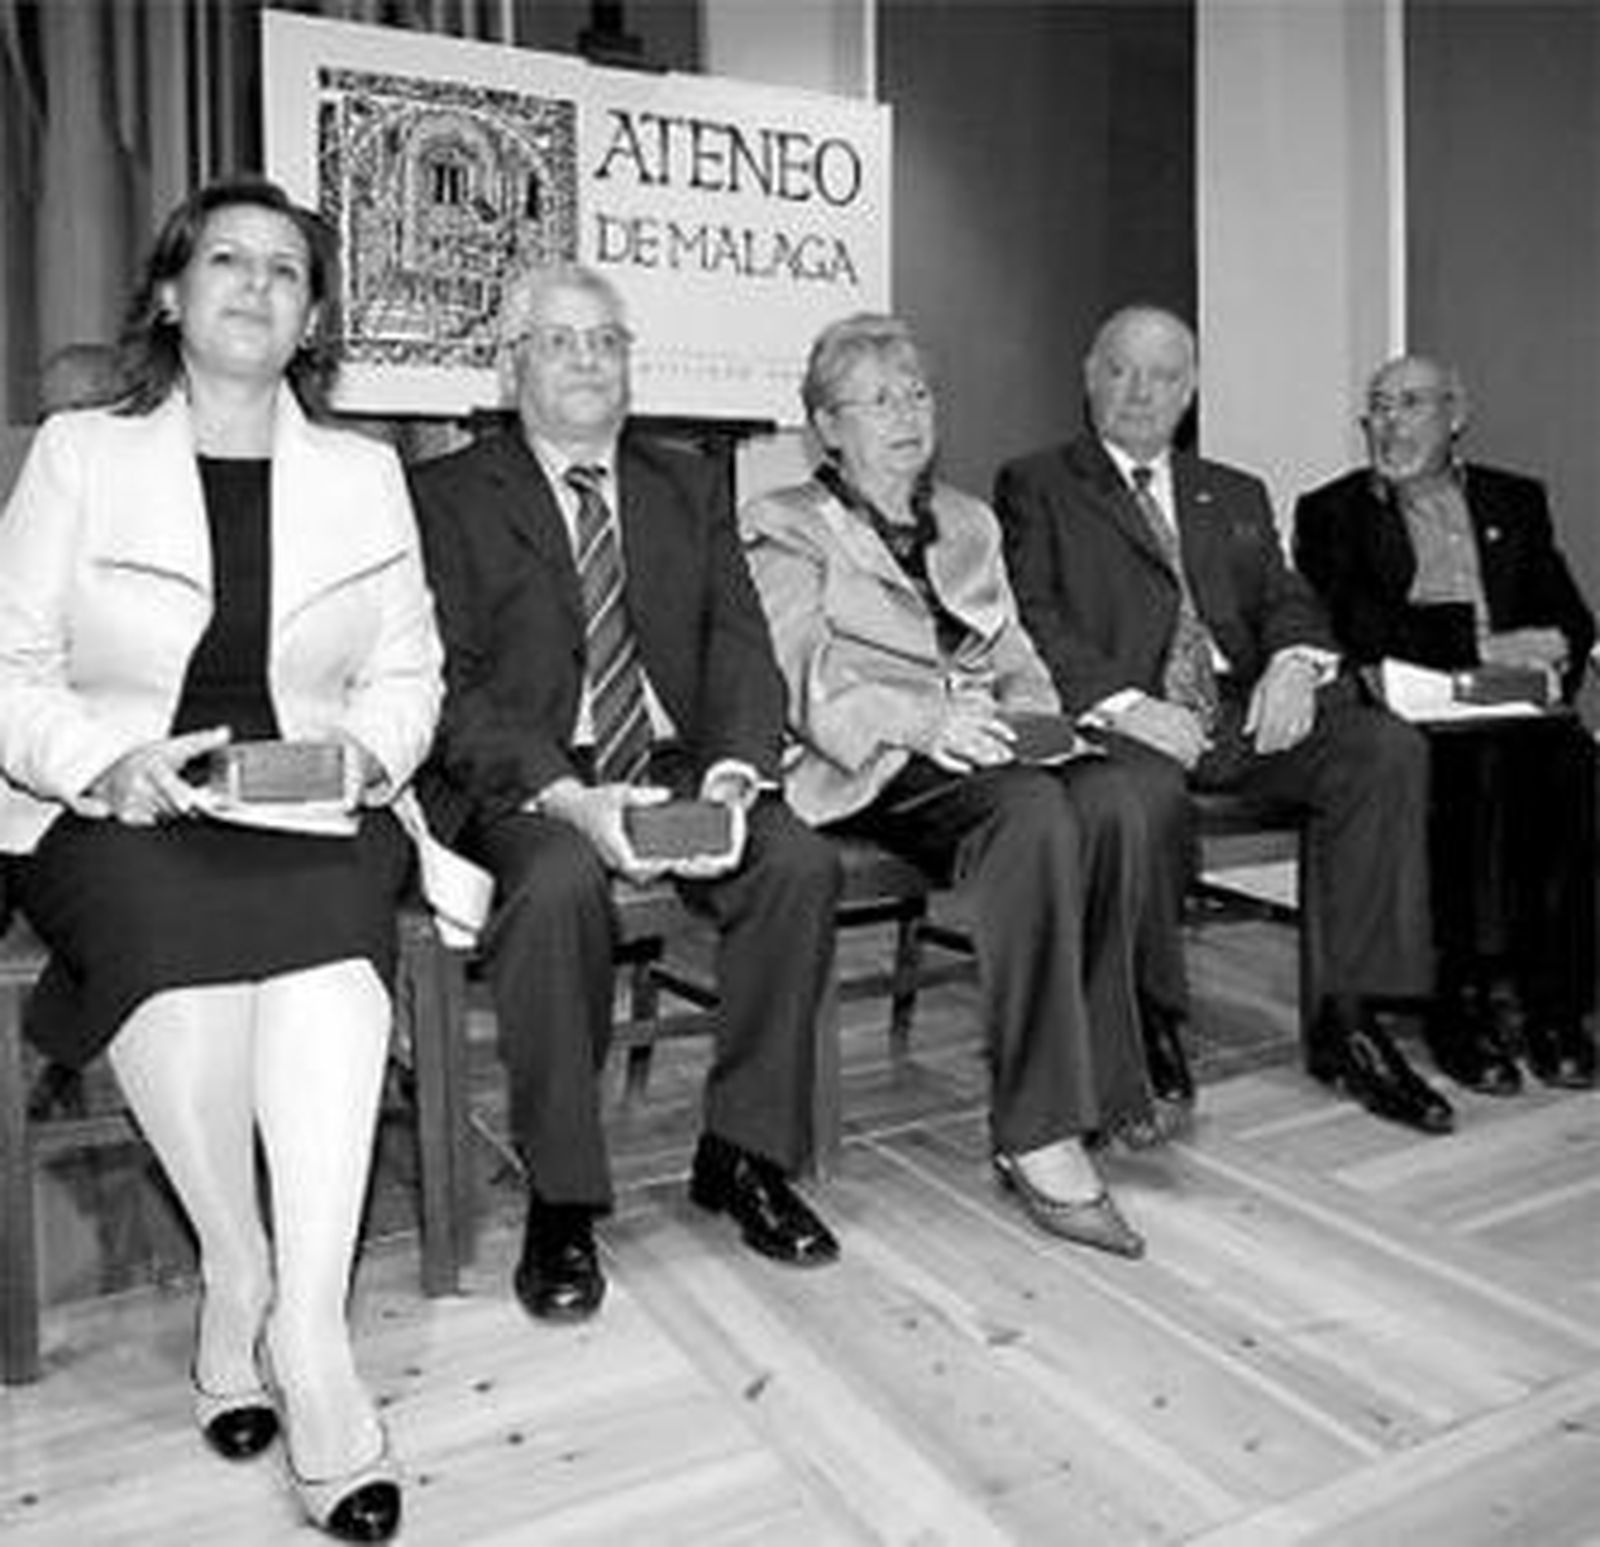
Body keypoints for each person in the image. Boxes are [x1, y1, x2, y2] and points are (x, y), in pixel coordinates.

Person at [0, 177, 442, 1543]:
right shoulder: (80, 449)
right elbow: (7, 668)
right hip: (115, 807)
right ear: (172, 295)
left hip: (311, 804)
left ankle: (305, 1333)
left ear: (312, 318)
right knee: (176, 948)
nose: (257, 286)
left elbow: (409, 665)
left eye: (287, 271)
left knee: (327, 946)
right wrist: (103, 762)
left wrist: (369, 755)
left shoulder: (364, 472)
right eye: (228, 261)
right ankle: (235, 1266)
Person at [410, 263, 843, 1326]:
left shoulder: (684, 485)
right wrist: (566, 795)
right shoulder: (448, 496)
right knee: (557, 887)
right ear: (511, 366)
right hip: (528, 779)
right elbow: (449, 693)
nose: (588, 359)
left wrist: (738, 771)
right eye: (560, 341)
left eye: (606, 339)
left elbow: (740, 647)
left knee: (796, 861)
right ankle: (563, 1194)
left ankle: (741, 1153)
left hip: (673, 759)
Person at [741, 312, 1158, 1260]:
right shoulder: (784, 521)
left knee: (1107, 794)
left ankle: (1099, 1079)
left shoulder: (969, 519)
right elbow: (799, 667)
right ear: (826, 426)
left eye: (917, 393)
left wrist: (1042, 723)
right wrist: (926, 720)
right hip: (871, 760)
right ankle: (1036, 1130)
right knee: (1032, 812)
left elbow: (1014, 651)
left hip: (984, 744)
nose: (906, 414)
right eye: (877, 399)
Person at [994, 304, 1456, 1137]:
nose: (1141, 391)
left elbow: (1287, 598)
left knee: (1381, 748)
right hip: (1121, 721)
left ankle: (1349, 1017)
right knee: (1138, 796)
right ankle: (1148, 1013)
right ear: (1089, 375)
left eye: (1165, 374)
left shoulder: (1232, 490)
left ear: (1190, 389)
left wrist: (1294, 663)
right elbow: (1035, 617)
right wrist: (1132, 709)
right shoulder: (1038, 483)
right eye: (1122, 369)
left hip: (1237, 713)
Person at [1294, 355, 1596, 1090]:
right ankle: (1456, 1005)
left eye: (1411, 403)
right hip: (1417, 708)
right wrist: (1483, 643)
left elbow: (1567, 618)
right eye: (1379, 406)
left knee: (1577, 769)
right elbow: (1360, 625)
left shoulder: (1514, 499)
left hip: (1516, 704)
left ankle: (1553, 1003)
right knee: (1469, 773)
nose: (1391, 421)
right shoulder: (1333, 511)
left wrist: (1545, 644)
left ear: (1455, 414)